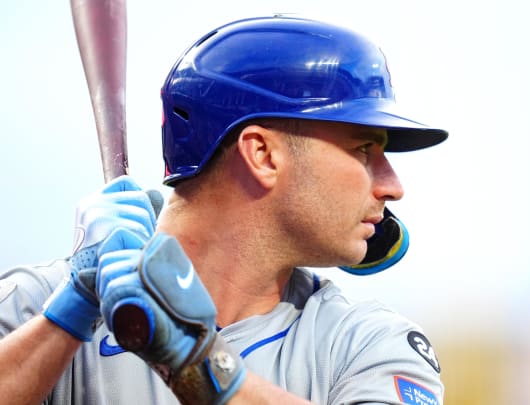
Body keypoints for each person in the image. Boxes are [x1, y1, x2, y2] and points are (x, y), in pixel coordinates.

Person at [0, 15, 448, 404]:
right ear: (263, 155)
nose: (394, 187)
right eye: (365, 149)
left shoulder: (364, 343)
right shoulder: (36, 306)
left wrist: (199, 364)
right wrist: (68, 315)